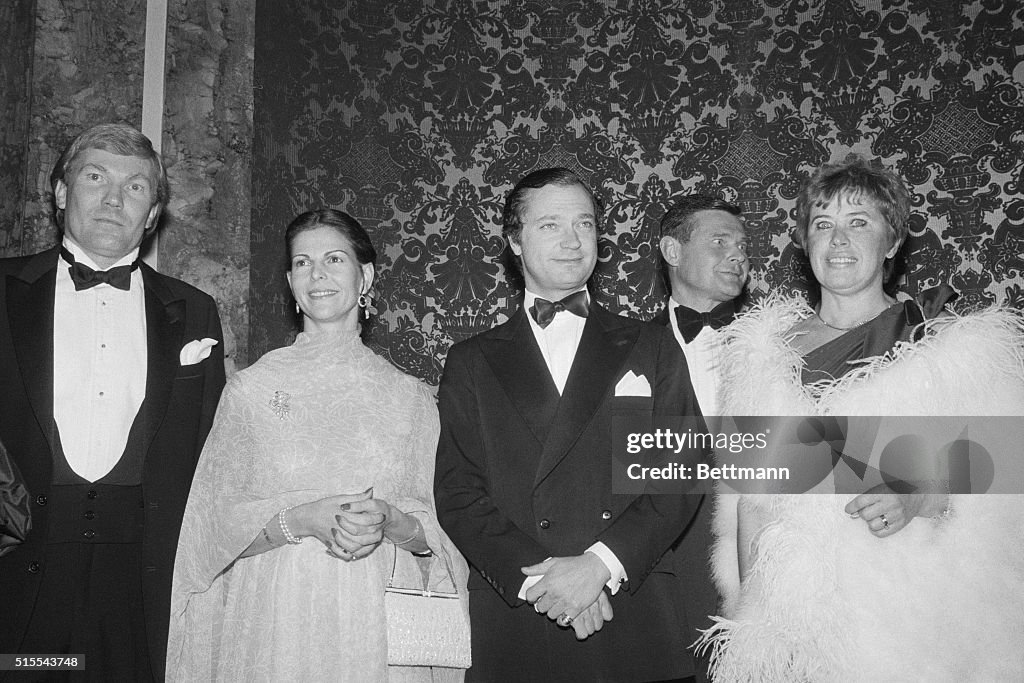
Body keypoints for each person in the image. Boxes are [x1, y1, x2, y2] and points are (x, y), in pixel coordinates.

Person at [698, 155, 1024, 681]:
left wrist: (922, 494)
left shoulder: (946, 345)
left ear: (892, 242)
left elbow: (1009, 473)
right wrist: (750, 625)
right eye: (822, 225)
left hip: (910, 625)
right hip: (790, 630)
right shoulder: (759, 354)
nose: (839, 240)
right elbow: (745, 502)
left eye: (859, 223)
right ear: (805, 244)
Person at [167, 209, 468, 682]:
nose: (318, 274)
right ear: (290, 282)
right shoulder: (251, 390)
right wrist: (300, 520)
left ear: (365, 275)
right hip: (275, 623)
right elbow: (209, 534)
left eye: (334, 259)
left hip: (379, 629)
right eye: (303, 263)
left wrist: (390, 519)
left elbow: (441, 535)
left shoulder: (410, 397)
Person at [435, 167, 706, 682]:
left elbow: (683, 470)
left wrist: (600, 565)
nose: (572, 240)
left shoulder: (650, 346)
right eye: (550, 225)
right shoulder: (471, 360)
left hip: (634, 611)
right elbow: (458, 492)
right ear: (514, 241)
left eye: (584, 224)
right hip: (521, 618)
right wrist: (547, 584)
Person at [0, 122, 226, 681]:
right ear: (60, 192)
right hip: (20, 573)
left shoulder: (195, 311)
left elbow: (210, 450)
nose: (113, 199)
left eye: (136, 187)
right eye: (95, 176)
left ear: (152, 214)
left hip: (140, 577)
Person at [653, 194, 749, 681]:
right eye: (720, 242)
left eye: (742, 246)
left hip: (764, 576)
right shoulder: (622, 353)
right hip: (668, 580)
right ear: (673, 251)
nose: (738, 256)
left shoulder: (782, 346)